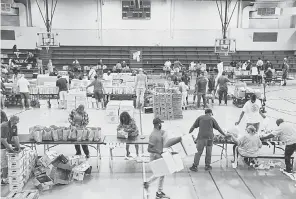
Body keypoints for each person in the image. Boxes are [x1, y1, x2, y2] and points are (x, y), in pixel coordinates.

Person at [144, 117, 182, 199]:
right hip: (156, 156)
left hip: (160, 155)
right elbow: (149, 149)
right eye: (160, 123)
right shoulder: (154, 135)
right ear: (158, 124)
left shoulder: (159, 132)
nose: (161, 125)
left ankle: (154, 188)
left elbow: (166, 137)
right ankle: (154, 188)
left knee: (161, 173)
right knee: (161, 173)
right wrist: (159, 151)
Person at [1, 115, 20, 185]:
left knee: (10, 161)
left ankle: (7, 175)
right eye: (17, 120)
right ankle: (4, 179)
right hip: (1, 146)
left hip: (6, 143)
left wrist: (18, 147)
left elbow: (15, 137)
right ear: (13, 120)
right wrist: (10, 149)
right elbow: (2, 140)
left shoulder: (14, 126)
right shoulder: (4, 126)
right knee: (4, 163)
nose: (18, 122)